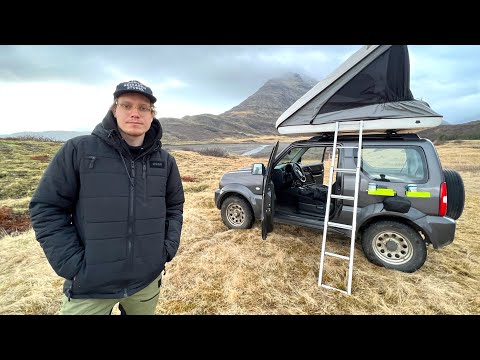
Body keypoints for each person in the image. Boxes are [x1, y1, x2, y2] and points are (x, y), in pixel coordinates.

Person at [29, 80, 185, 315]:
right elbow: (47, 208)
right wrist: (72, 264)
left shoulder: (165, 161)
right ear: (114, 109)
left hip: (147, 281)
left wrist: (165, 251)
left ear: (152, 115)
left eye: (143, 108)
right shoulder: (78, 150)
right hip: (90, 285)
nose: (135, 113)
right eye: (126, 105)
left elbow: (174, 207)